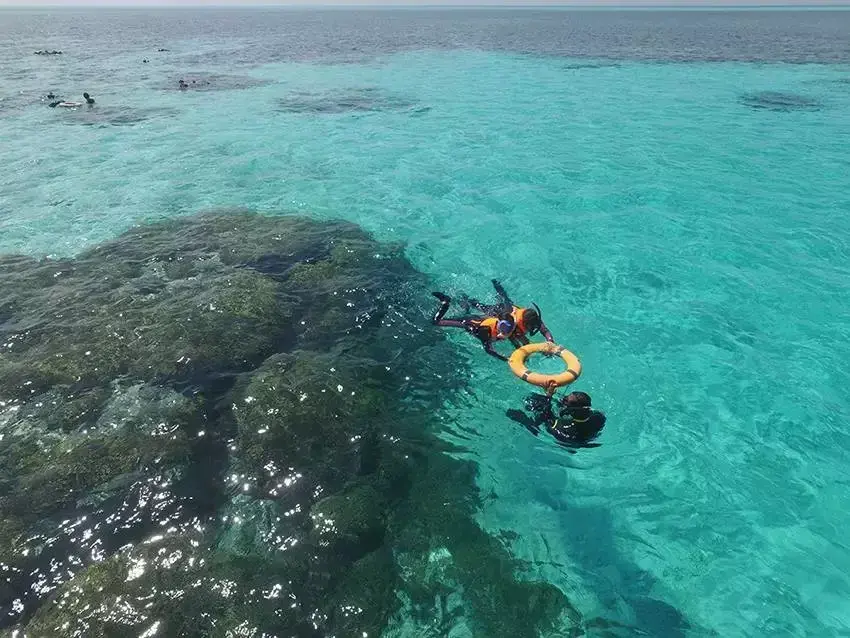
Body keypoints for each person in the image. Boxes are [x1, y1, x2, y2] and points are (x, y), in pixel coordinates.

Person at [459, 279, 554, 346]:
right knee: (481, 308)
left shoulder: (533, 319)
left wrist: (550, 341)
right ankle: (465, 299)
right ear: (524, 323)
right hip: (498, 312)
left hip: (508, 308)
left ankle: (496, 284)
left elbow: (545, 330)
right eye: (530, 327)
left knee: (506, 299)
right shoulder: (514, 328)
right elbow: (525, 343)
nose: (531, 329)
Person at [431, 292, 516, 361]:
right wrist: (505, 359)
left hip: (478, 319)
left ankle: (465, 301)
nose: (504, 331)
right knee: (436, 322)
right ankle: (446, 302)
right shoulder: (485, 331)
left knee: (470, 310)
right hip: (466, 322)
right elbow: (488, 349)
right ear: (498, 322)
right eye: (502, 327)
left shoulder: (510, 325)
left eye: (508, 328)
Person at [507, 390, 605, 449]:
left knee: (533, 404)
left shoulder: (561, 426)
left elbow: (545, 416)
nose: (563, 399)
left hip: (566, 442)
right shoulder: (599, 417)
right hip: (584, 439)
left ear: (572, 411)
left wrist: (548, 396)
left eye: (566, 400)